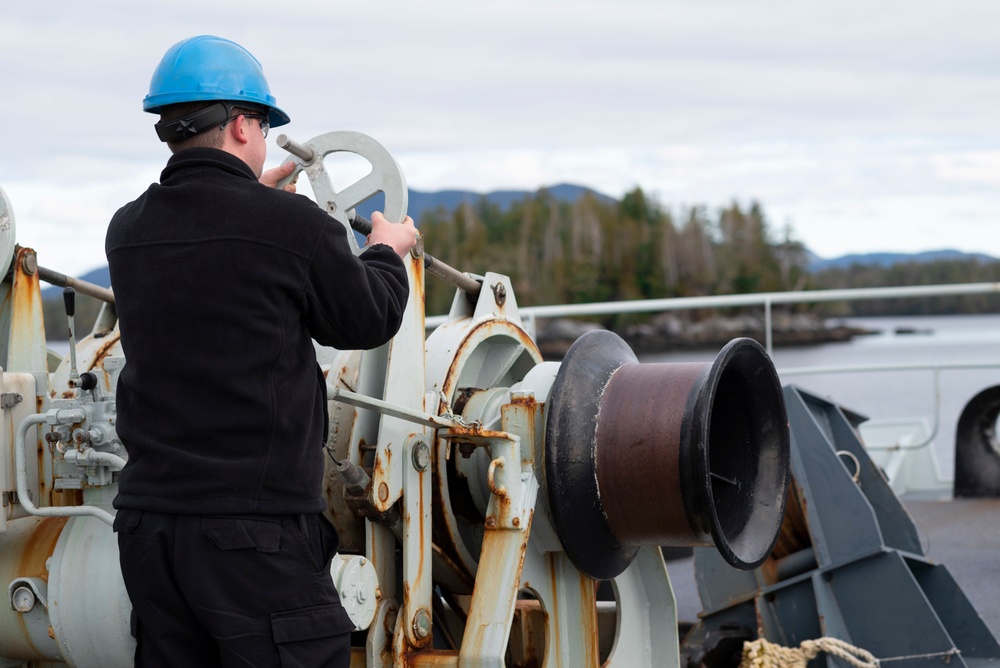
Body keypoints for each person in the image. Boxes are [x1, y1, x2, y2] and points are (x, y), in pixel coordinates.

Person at [106, 35, 417, 667]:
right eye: (265, 125)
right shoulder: (293, 229)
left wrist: (267, 210)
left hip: (149, 531)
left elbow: (217, 263)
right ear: (245, 124)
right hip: (252, 533)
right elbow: (367, 316)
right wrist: (388, 250)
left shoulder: (129, 230)